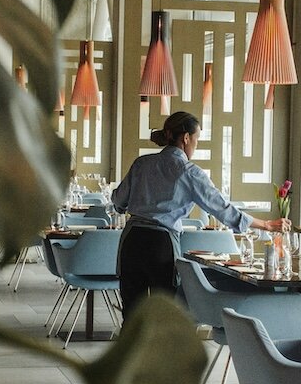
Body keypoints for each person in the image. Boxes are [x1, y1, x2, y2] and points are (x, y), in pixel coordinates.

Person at [111, 111, 291, 318]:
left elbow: (118, 201)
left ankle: (131, 350)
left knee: (132, 314)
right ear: (186, 138)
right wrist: (266, 225)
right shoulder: (189, 171)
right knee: (165, 315)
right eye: (196, 139)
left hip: (131, 240)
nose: (196, 145)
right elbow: (221, 208)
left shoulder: (141, 163)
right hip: (161, 244)